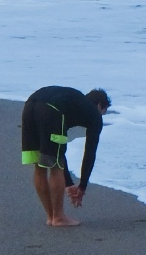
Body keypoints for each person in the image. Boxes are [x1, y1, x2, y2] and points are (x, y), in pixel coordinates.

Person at [20, 85, 111, 226]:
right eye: (103, 112)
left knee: (40, 165)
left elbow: (59, 152)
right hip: (51, 110)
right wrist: (82, 187)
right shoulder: (93, 113)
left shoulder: (74, 102)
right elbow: (90, 152)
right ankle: (58, 217)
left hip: (30, 106)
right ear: (100, 106)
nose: (101, 117)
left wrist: (69, 183)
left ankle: (51, 216)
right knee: (55, 165)